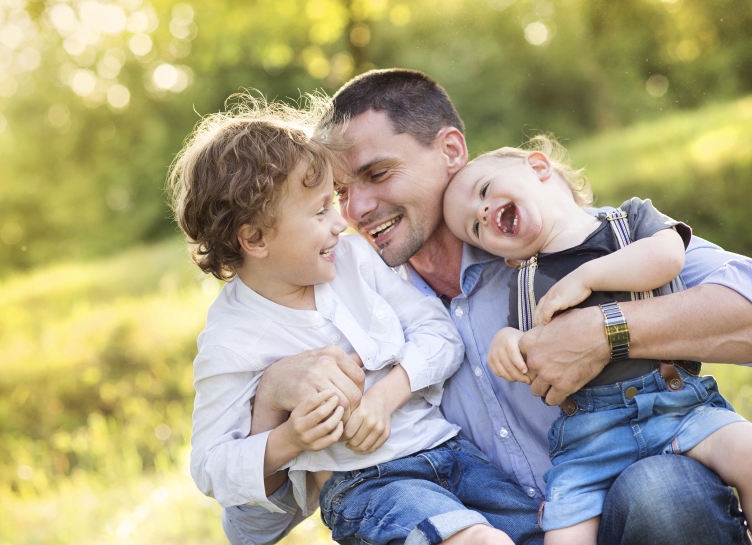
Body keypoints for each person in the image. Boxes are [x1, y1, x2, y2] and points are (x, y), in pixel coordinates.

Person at [223, 68, 752, 545]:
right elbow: (251, 528)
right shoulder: (338, 304)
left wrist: (608, 329)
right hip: (489, 534)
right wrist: (270, 398)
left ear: (451, 151)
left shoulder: (574, 239)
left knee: (663, 490)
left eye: (378, 175)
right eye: (340, 193)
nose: (357, 209)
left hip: (625, 510)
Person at [169, 94, 543, 545]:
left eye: (334, 202)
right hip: (371, 486)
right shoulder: (232, 337)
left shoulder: (353, 262)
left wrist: (387, 395)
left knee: (542, 532)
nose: (340, 223)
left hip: (449, 452)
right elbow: (211, 466)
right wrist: (289, 439)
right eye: (320, 210)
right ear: (254, 238)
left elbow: (438, 332)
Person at [443, 135, 752, 544]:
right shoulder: (523, 279)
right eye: (476, 228)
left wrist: (588, 278)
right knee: (562, 534)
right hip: (588, 439)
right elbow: (527, 341)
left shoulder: (629, 221)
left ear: (538, 167)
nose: (482, 213)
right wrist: (505, 341)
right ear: (506, 258)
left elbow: (667, 258)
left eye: (484, 191)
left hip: (676, 405)